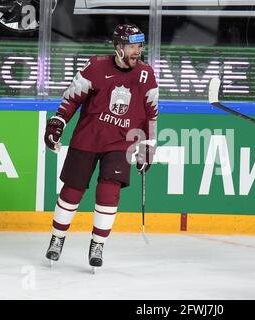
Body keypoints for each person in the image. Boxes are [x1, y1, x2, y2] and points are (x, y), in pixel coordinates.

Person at [43, 23, 159, 269]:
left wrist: (148, 147)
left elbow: (152, 116)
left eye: (139, 46)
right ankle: (57, 238)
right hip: (87, 138)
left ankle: (98, 244)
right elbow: (71, 99)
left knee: (109, 191)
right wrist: (57, 122)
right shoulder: (95, 66)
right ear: (118, 47)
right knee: (72, 190)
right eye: (131, 46)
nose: (137, 51)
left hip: (120, 143)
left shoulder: (147, 76)